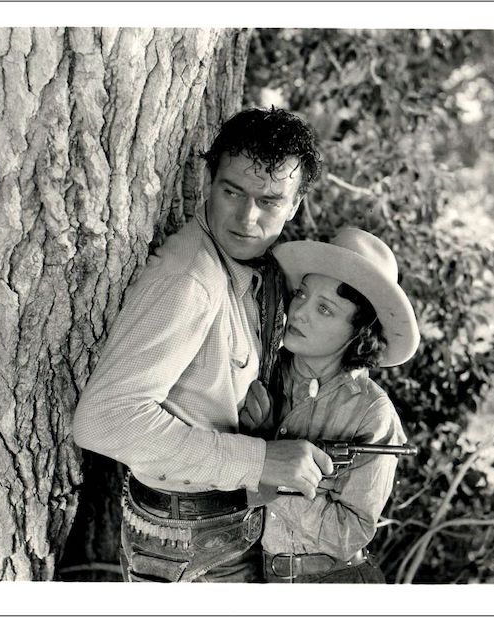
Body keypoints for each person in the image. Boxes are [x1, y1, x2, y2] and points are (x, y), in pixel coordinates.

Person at [72, 107, 334, 583]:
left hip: (215, 523)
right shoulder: (192, 281)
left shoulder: (251, 272)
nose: (247, 217)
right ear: (208, 178)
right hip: (186, 540)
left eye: (270, 201)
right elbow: (102, 422)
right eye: (232, 191)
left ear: (295, 205)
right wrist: (260, 460)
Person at [240, 227, 420, 583]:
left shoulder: (371, 413)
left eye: (325, 309)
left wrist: (269, 470)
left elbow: (350, 531)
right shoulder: (263, 368)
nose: (300, 312)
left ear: (358, 332)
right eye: (302, 294)